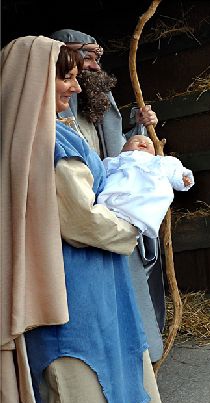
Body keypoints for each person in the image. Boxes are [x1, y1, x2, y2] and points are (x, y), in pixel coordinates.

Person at [1, 36, 169, 403]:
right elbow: (83, 220)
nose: (76, 87)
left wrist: (124, 156)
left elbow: (83, 184)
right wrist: (136, 223)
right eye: (67, 78)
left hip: (84, 281)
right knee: (85, 395)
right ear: (36, 78)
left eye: (78, 76)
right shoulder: (48, 140)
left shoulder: (33, 131)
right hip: (76, 289)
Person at [50, 29, 166, 363]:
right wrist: (125, 226)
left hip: (113, 220)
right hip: (86, 234)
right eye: (86, 60)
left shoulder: (95, 102)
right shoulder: (53, 118)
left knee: (131, 305)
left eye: (96, 60)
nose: (94, 68)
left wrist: (140, 130)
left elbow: (112, 155)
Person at [98, 135, 194, 238]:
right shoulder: (120, 159)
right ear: (123, 148)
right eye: (136, 141)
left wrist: (182, 179)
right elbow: (103, 171)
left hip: (146, 199)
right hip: (119, 195)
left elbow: (175, 170)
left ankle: (135, 224)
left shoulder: (159, 161)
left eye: (149, 143)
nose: (143, 143)